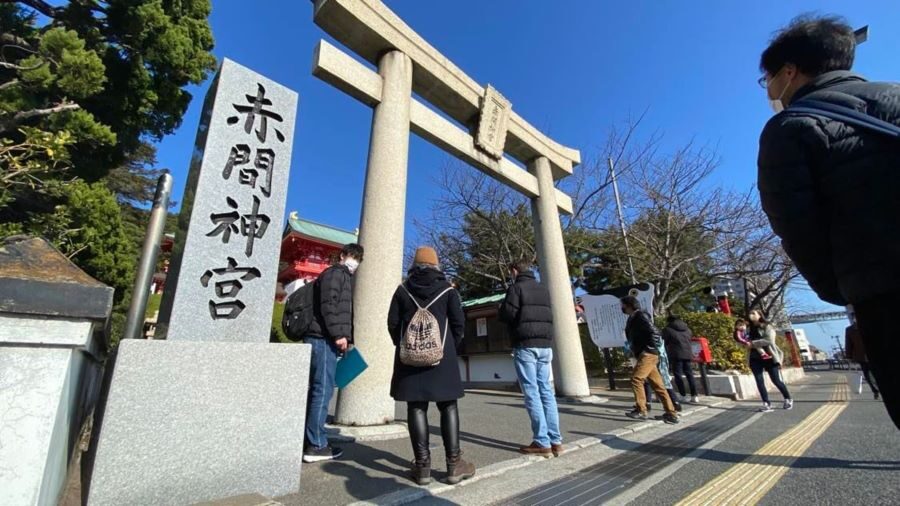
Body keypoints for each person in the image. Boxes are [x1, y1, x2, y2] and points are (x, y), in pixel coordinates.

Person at [757, 14, 900, 428]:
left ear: (788, 72)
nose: (768, 89)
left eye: (767, 78)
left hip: (886, 295)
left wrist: (847, 291)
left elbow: (799, 230)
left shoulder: (790, 128)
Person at [388, 247, 475, 485]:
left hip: (410, 358)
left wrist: (406, 345)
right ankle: (454, 464)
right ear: (436, 265)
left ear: (415, 265)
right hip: (442, 358)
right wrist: (447, 348)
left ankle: (423, 466)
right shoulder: (448, 289)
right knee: (448, 406)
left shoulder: (402, 289)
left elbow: (393, 323)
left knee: (416, 407)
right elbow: (459, 323)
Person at [302, 243, 363, 463]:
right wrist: (339, 334)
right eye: (353, 256)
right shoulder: (336, 274)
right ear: (343, 255)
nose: (355, 261)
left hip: (323, 337)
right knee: (322, 390)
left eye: (358, 258)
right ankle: (316, 444)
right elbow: (330, 305)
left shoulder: (340, 275)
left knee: (319, 389)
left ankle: (313, 439)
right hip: (322, 338)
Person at [499, 259, 563, 458]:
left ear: (515, 270)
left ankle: (541, 441)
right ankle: (556, 440)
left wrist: (499, 309)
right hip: (545, 345)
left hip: (525, 344)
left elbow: (508, 314)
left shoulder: (516, 289)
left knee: (531, 391)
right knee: (546, 390)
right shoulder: (543, 289)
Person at [620, 296, 679, 424]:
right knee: (658, 385)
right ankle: (671, 413)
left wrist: (651, 348)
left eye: (623, 305)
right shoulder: (633, 317)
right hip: (645, 353)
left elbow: (654, 332)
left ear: (629, 305)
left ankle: (641, 410)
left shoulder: (640, 315)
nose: (622, 308)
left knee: (636, 379)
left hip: (647, 353)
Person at [745, 311, 792, 412]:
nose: (751, 315)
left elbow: (769, 340)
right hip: (754, 358)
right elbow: (744, 341)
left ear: (759, 315)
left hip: (769, 356)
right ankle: (766, 403)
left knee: (776, 380)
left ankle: (788, 398)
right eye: (750, 313)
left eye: (753, 313)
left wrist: (753, 343)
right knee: (759, 381)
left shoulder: (767, 326)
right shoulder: (748, 329)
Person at [662, 316, 700, 404]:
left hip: (676, 354)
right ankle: (694, 395)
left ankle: (682, 395)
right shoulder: (687, 329)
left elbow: (665, 341)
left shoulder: (667, 330)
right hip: (688, 354)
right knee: (689, 374)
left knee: (678, 374)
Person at [845, 320, 880, 400]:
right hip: (862, 357)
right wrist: (849, 357)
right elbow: (849, 344)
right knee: (868, 375)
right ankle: (875, 391)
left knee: (873, 374)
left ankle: (877, 390)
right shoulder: (850, 329)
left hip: (872, 355)